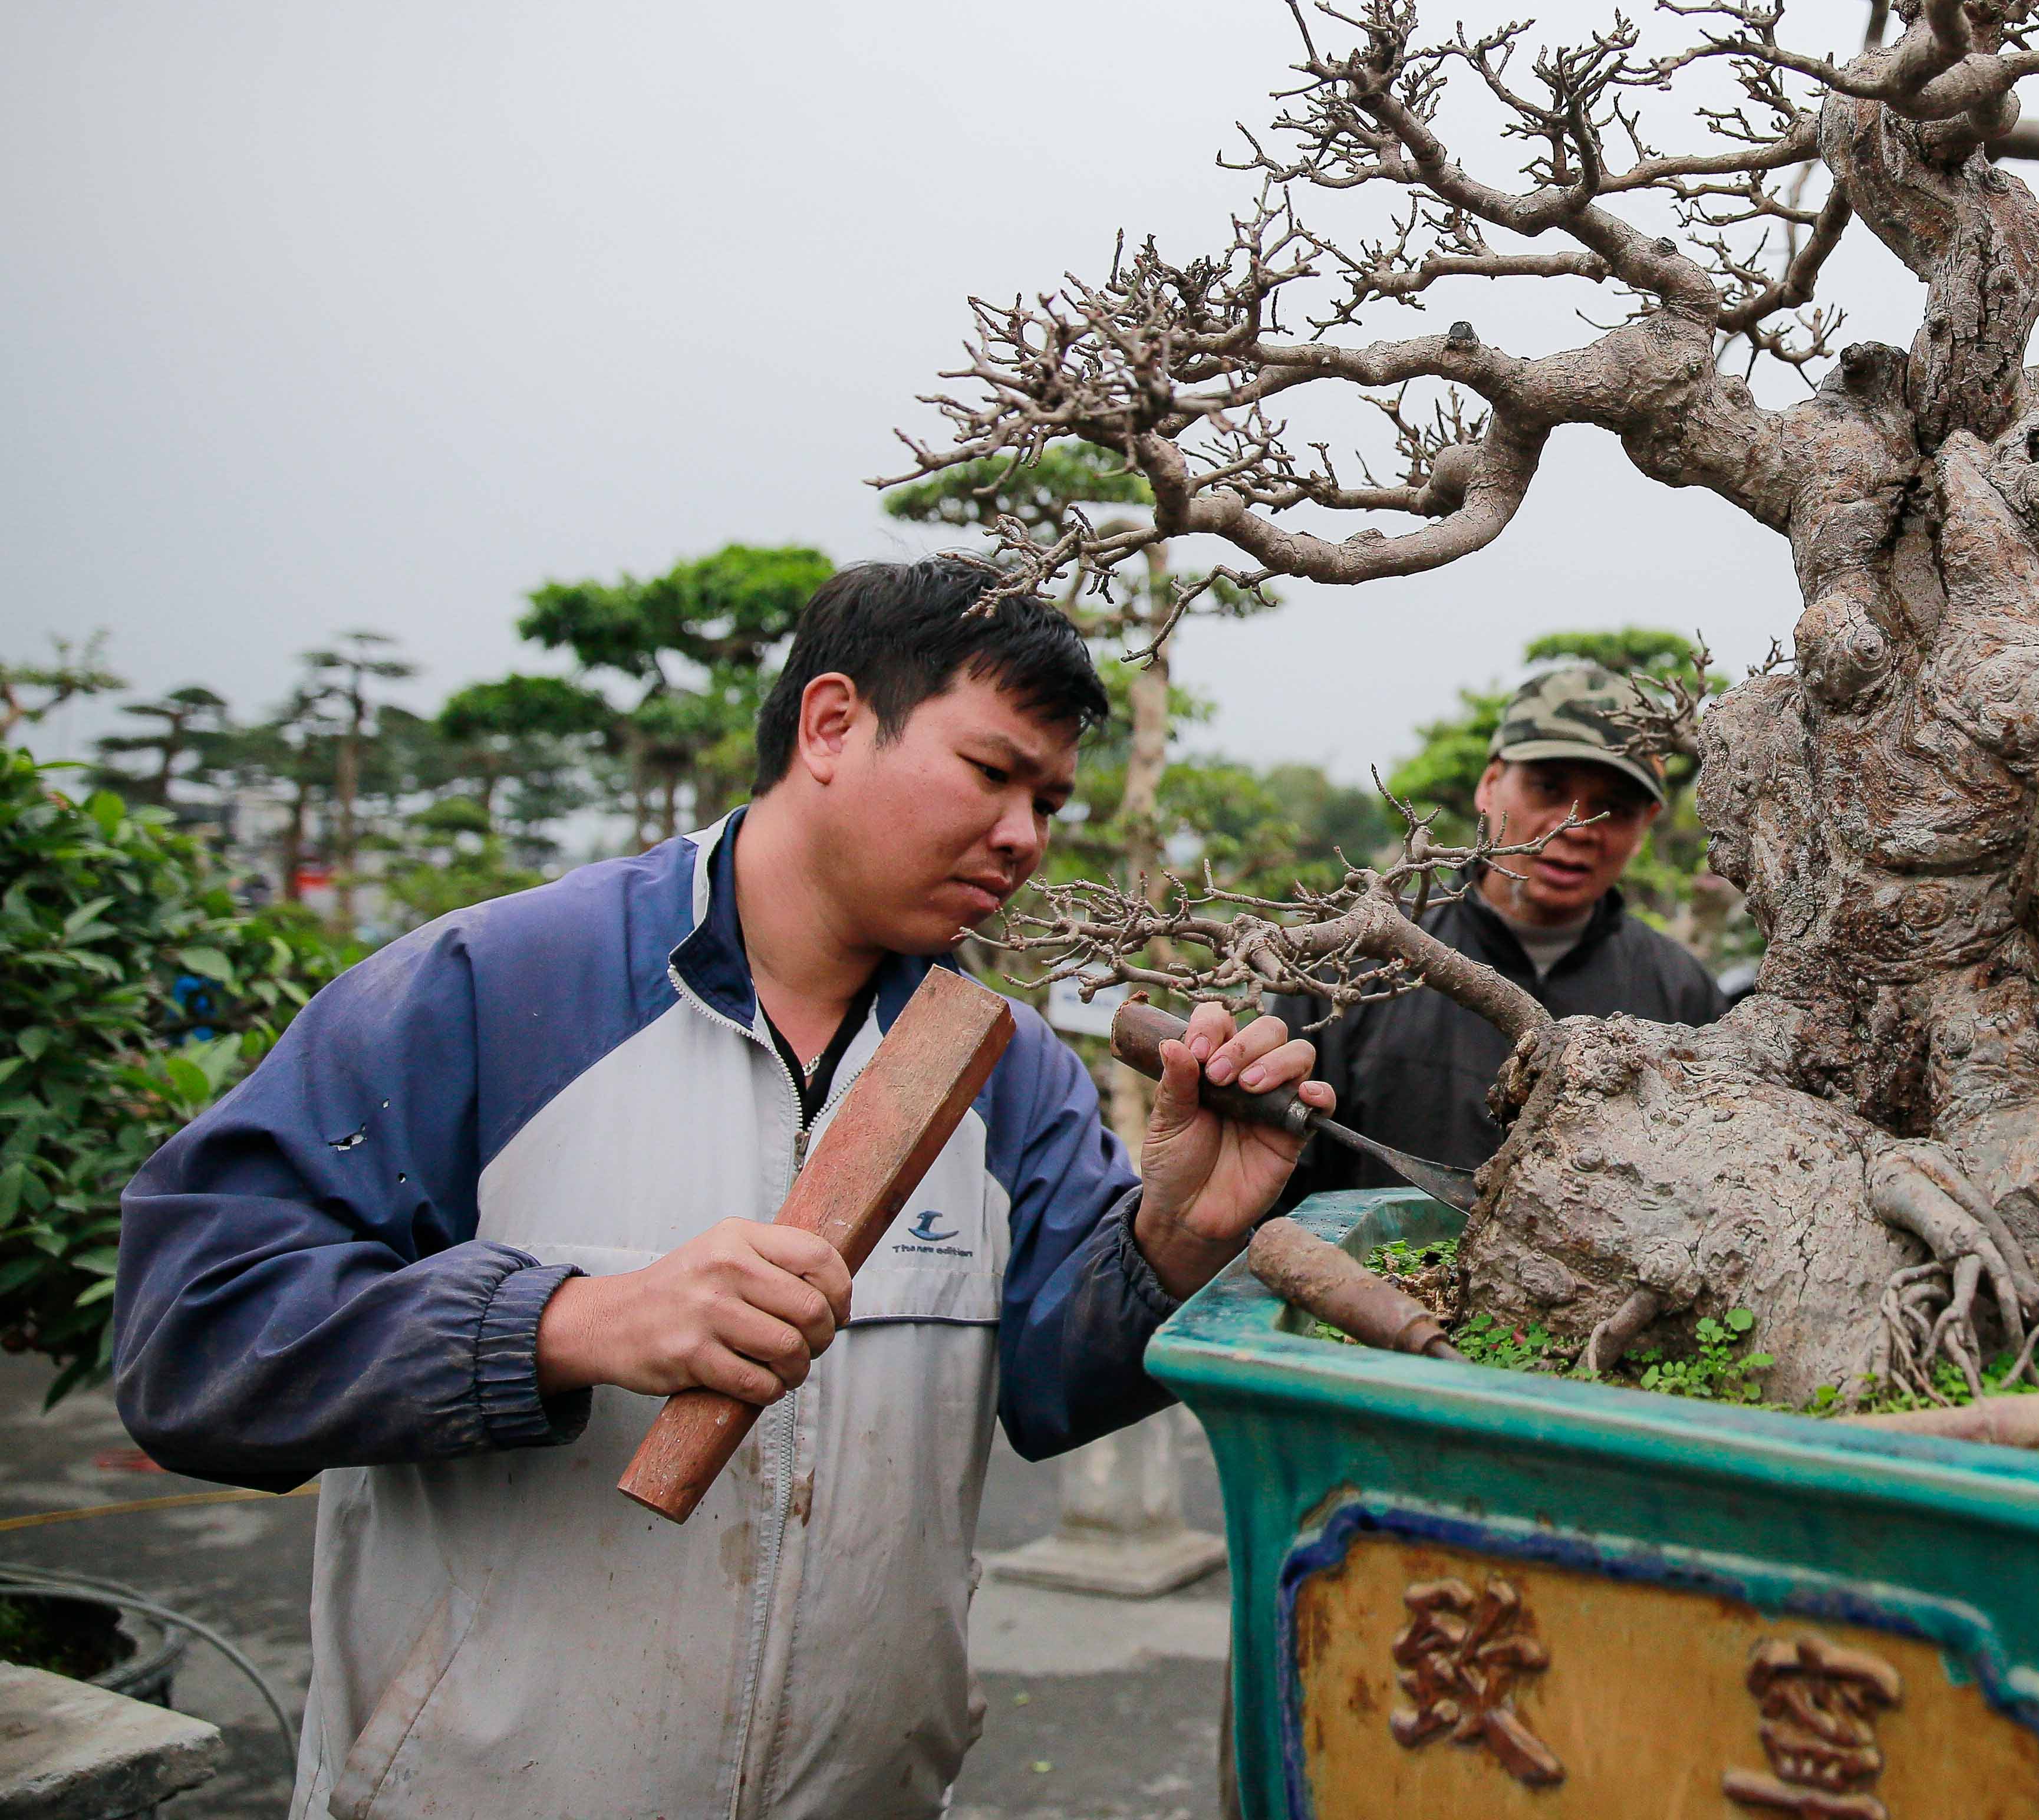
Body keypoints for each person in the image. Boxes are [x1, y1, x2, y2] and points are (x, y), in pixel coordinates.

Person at [112, 560, 1331, 1820]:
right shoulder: (493, 988)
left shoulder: (1007, 1068)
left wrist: (1174, 1233)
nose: (1025, 833)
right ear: (832, 724)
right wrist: (571, 1325)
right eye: (990, 772)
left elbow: (1047, 1383)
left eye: (1051, 798)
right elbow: (192, 1339)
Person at [1286, 661, 1727, 1200]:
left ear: (1646, 825)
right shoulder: (1357, 955)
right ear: (1490, 784)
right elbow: (1278, 1180)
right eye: (1549, 788)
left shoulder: (1684, 996)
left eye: (1614, 806)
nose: (1576, 828)